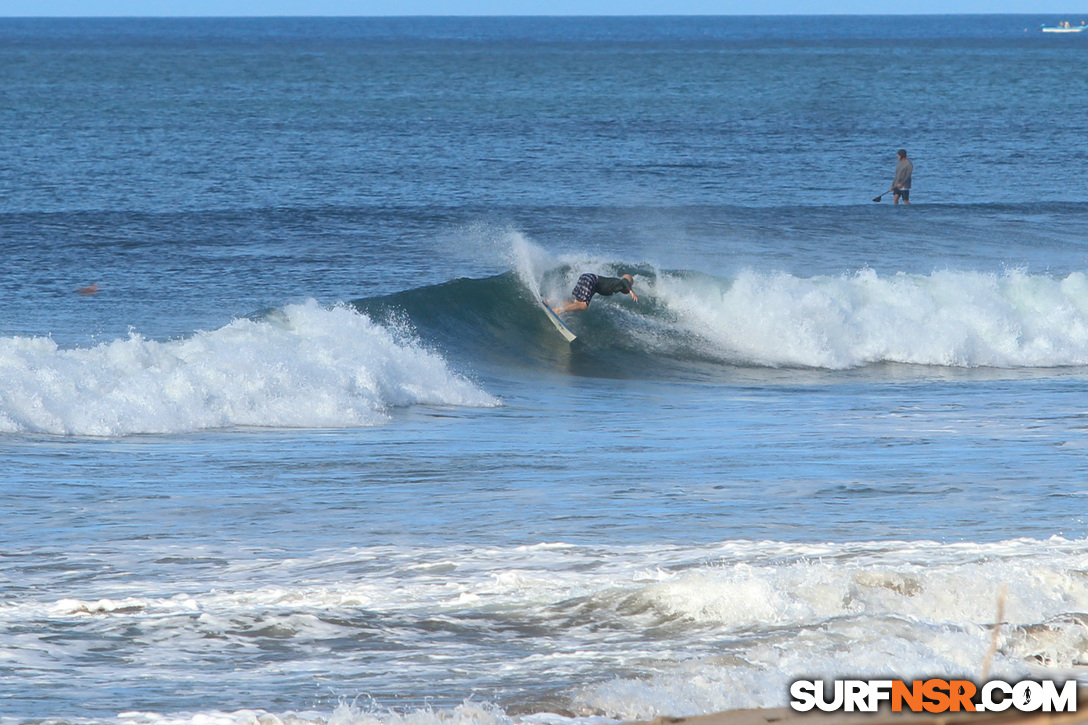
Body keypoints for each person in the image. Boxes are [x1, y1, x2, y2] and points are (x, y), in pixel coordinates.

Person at [551, 273, 638, 314]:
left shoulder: (616, 285)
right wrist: (631, 291)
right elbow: (625, 280)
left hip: (586, 277)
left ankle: (550, 301)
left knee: (576, 304)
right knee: (583, 306)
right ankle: (558, 310)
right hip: (591, 280)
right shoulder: (620, 283)